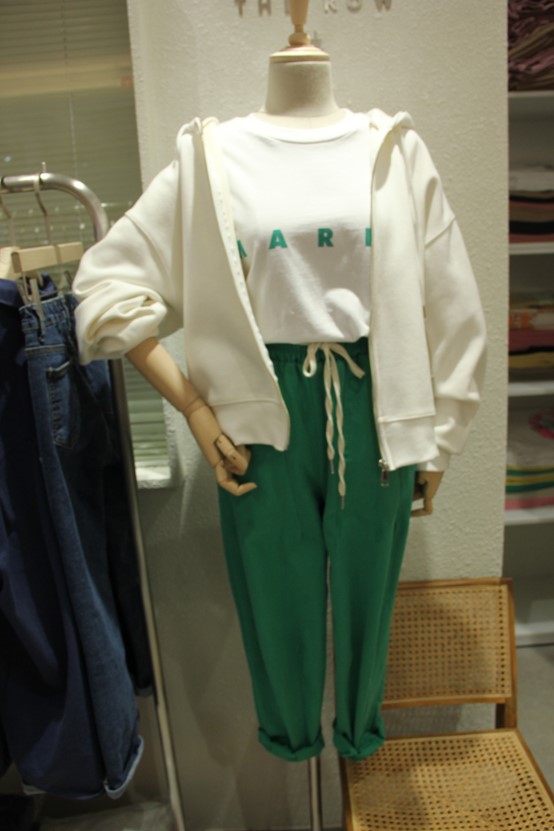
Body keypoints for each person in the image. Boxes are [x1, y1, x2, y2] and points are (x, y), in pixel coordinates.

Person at [72, 15, 486, 762]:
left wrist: (444, 435)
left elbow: (453, 298)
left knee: (368, 605)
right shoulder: (210, 157)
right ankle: (294, 747)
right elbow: (104, 288)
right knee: (276, 606)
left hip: (378, 408)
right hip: (258, 418)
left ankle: (358, 738)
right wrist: (193, 406)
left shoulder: (393, 150)